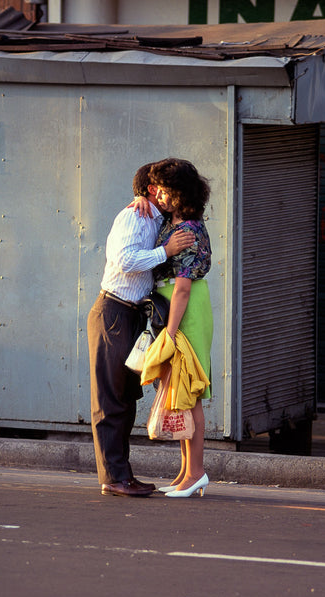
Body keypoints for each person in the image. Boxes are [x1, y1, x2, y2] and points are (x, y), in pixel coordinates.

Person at [87, 162, 195, 497]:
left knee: (127, 396)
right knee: (110, 399)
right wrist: (167, 251)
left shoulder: (156, 216)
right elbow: (125, 261)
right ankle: (113, 478)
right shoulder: (134, 216)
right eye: (160, 187)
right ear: (150, 190)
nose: (166, 194)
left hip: (132, 315)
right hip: (114, 311)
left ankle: (122, 474)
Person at [145, 158, 213, 498]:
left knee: (190, 394)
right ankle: (186, 472)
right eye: (156, 189)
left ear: (181, 193)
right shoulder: (170, 217)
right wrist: (141, 197)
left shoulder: (188, 227)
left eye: (166, 190)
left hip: (185, 312)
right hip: (174, 309)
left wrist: (170, 333)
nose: (159, 195)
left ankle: (196, 472)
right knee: (178, 392)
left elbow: (184, 286)